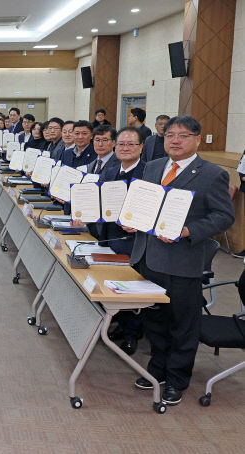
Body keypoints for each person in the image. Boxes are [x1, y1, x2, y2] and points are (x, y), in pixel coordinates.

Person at [124, 115, 234, 405]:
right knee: (154, 321)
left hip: (182, 263)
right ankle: (157, 370)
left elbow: (224, 216)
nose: (174, 140)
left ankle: (176, 380)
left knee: (182, 325)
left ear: (197, 139)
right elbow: (143, 204)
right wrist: (132, 219)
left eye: (183, 135)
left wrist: (188, 230)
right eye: (170, 135)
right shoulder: (153, 167)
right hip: (147, 257)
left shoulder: (212, 173)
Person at [77, 127, 147, 355]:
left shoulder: (148, 174)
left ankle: (131, 335)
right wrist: (83, 214)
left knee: (129, 286)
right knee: (111, 280)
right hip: (109, 236)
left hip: (134, 240)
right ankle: (119, 326)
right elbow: (98, 201)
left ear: (141, 148)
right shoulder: (110, 172)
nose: (125, 148)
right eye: (121, 145)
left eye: (131, 144)